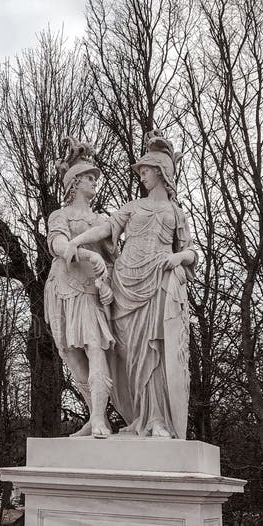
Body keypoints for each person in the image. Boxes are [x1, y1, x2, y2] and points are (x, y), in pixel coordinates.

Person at [64, 130, 197, 438]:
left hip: (157, 285)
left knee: (155, 354)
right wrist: (78, 240)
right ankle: (138, 417)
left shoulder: (175, 212)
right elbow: (107, 228)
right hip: (125, 286)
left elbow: (190, 250)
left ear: (162, 172)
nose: (143, 176)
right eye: (141, 172)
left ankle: (157, 419)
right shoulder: (132, 207)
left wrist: (180, 258)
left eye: (147, 171)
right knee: (130, 357)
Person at [45, 138, 116, 438]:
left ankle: (100, 418)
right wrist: (85, 252)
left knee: (95, 348)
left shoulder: (102, 220)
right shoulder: (59, 216)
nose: (94, 182)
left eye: (94, 178)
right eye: (89, 177)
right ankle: (93, 415)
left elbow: (113, 260)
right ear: (74, 183)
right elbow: (58, 244)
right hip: (62, 289)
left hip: (90, 293)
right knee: (72, 358)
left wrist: (108, 282)